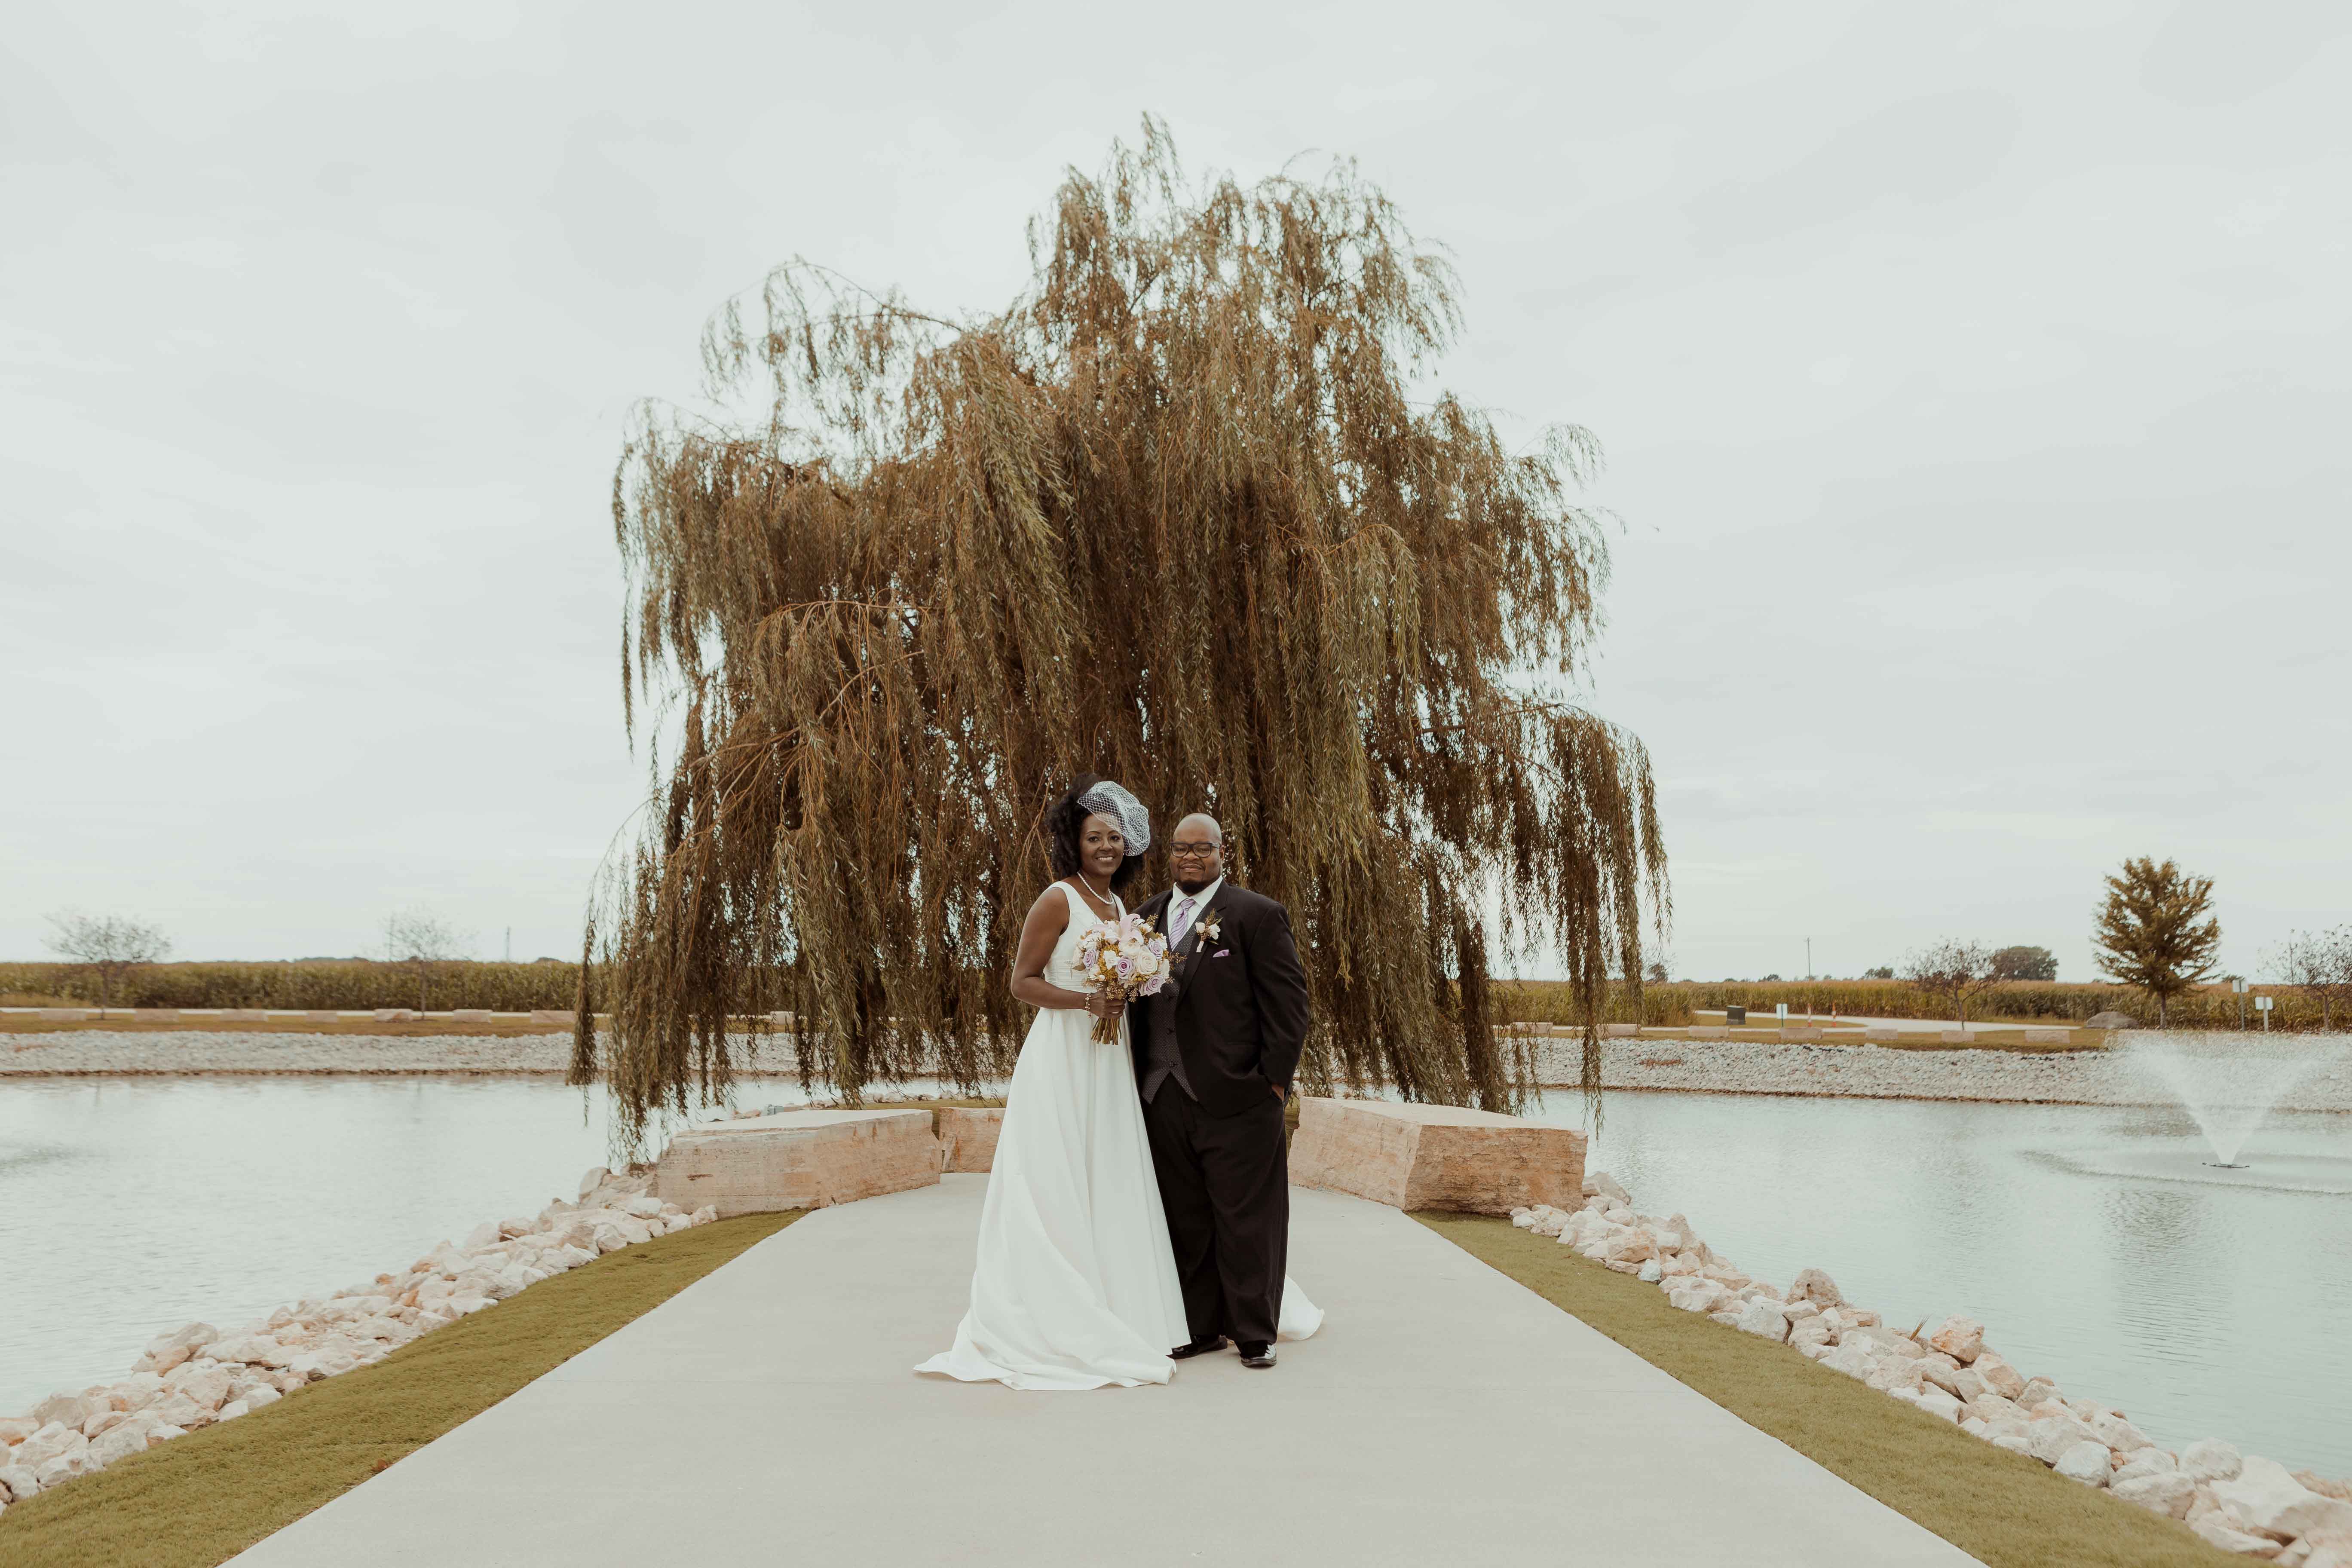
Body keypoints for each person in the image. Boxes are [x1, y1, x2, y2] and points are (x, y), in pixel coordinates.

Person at [914, 777, 1190, 1389]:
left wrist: (1128, 985)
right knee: (1055, 1175)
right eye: (1096, 837)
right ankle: (1051, 1312)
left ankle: (1119, 1309)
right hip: (1063, 1055)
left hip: (1107, 1059)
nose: (1107, 847)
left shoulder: (1120, 907)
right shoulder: (1057, 900)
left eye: (1116, 838)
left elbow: (1122, 982)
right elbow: (1021, 982)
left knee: (1108, 1172)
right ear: (1075, 840)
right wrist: (1086, 1002)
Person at [1129, 812, 1322, 1369]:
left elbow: (1289, 1009)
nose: (1191, 858)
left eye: (1203, 849)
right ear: (1168, 854)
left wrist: (1273, 1087)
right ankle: (1199, 1328)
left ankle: (1254, 1332)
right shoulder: (1142, 919)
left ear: (1222, 853)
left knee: (1247, 1220)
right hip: (1161, 1096)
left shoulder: (1256, 916)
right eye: (1181, 849)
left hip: (1241, 1100)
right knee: (1183, 1219)